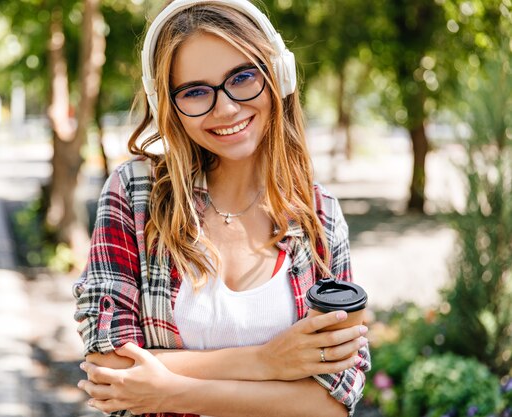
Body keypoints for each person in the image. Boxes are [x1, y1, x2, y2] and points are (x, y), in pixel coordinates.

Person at [72, 0, 371, 416]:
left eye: (243, 77)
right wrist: (267, 362)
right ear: (169, 107)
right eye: (195, 91)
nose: (226, 108)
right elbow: (110, 368)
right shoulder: (135, 195)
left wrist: (168, 389)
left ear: (277, 76)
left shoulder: (319, 215)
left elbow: (332, 401)